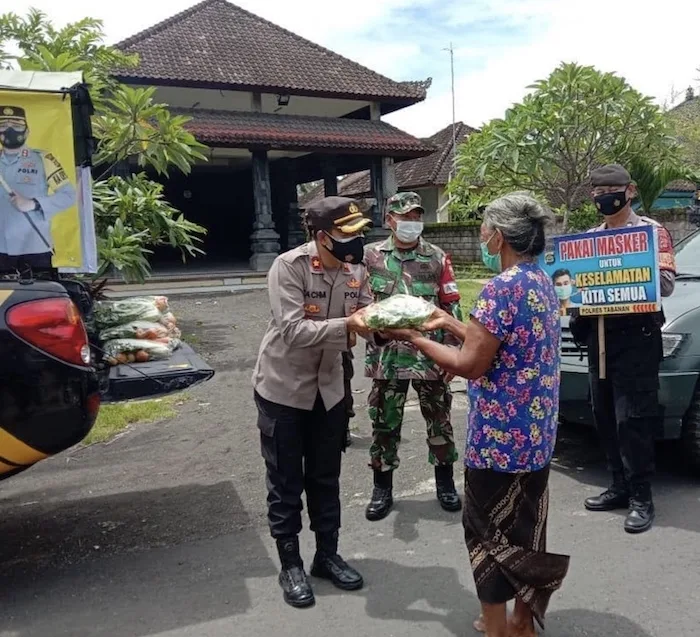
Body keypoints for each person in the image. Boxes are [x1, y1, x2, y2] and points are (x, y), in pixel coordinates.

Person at [379, 192, 570, 637]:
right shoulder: (539, 280)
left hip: (500, 439)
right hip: (536, 435)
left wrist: (413, 337)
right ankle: (523, 621)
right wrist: (445, 324)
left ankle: (497, 627)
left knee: (485, 530)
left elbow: (470, 363)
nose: (482, 239)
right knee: (527, 525)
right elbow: (500, 340)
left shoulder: (500, 289)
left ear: (498, 237)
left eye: (484, 231)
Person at [252, 196, 373, 608]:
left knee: (326, 476)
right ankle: (290, 564)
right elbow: (293, 331)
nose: (356, 241)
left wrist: (395, 323)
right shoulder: (289, 266)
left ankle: (327, 556)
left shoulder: (356, 270)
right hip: (283, 389)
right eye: (348, 233)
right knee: (286, 480)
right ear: (323, 236)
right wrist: (351, 325)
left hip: (330, 389)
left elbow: (368, 316)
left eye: (359, 232)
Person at [570, 164, 676, 534]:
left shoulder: (651, 233)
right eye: (597, 192)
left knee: (634, 419)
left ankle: (641, 496)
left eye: (611, 190)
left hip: (637, 339)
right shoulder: (587, 240)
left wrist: (628, 270)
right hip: (599, 337)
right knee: (603, 415)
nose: (604, 197)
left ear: (629, 190)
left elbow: (665, 286)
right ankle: (617, 485)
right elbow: (570, 286)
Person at [363, 191, 464, 521]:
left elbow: (451, 305)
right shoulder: (370, 257)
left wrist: (453, 350)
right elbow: (360, 307)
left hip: (430, 357)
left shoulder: (436, 257)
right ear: (389, 220)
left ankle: (445, 484)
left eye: (416, 216)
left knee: (440, 422)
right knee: (384, 424)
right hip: (387, 358)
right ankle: (382, 488)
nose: (412, 223)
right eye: (405, 217)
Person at [0, 105, 77, 271]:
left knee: (38, 296)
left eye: (17, 126)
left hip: (34, 248)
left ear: (27, 132)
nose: (10, 130)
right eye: (3, 126)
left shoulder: (43, 159)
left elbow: (69, 195)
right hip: (1, 249)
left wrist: (33, 203)